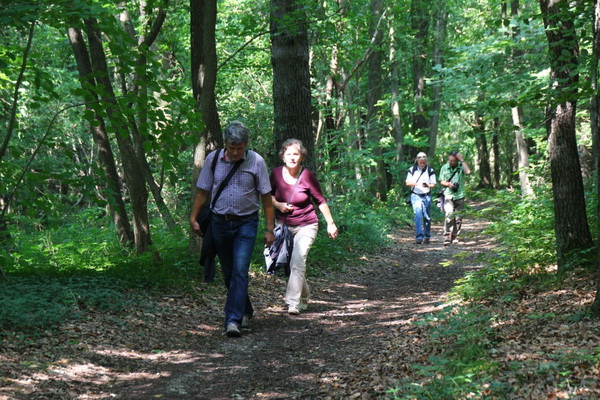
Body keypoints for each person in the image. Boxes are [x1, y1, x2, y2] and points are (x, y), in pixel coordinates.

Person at [190, 121, 275, 337]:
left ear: (246, 145)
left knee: (239, 270)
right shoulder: (213, 160)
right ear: (225, 144)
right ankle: (244, 308)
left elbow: (266, 198)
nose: (236, 152)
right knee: (229, 273)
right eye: (232, 147)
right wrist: (193, 217)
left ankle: (233, 320)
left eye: (240, 148)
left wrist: (269, 228)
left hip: (246, 223)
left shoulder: (256, 161)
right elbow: (202, 192)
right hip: (219, 222)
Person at [269, 139, 338, 315]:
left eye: (296, 154)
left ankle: (292, 303)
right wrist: (279, 205)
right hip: (283, 226)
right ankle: (305, 295)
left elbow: (320, 201)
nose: (292, 157)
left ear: (302, 157)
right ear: (283, 156)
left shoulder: (307, 176)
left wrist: (330, 223)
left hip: (306, 224)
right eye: (289, 154)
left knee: (298, 261)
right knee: (292, 264)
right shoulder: (275, 174)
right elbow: (266, 196)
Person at [439, 150, 471, 246]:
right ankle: (447, 235)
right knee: (449, 214)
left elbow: (468, 172)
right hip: (448, 194)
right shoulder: (444, 167)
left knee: (458, 217)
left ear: (457, 160)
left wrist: (462, 160)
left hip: (460, 195)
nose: (451, 162)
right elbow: (441, 181)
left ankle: (455, 236)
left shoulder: (461, 166)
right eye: (450, 160)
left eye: (453, 161)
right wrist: (448, 184)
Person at [405, 152, 436, 244]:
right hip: (415, 195)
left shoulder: (430, 170)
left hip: (427, 195)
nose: (422, 160)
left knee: (427, 217)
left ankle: (427, 236)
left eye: (424, 158)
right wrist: (416, 183)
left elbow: (433, 184)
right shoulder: (412, 169)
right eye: (420, 158)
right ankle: (419, 236)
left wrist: (428, 185)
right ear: (417, 160)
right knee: (418, 215)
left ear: (426, 160)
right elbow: (407, 182)